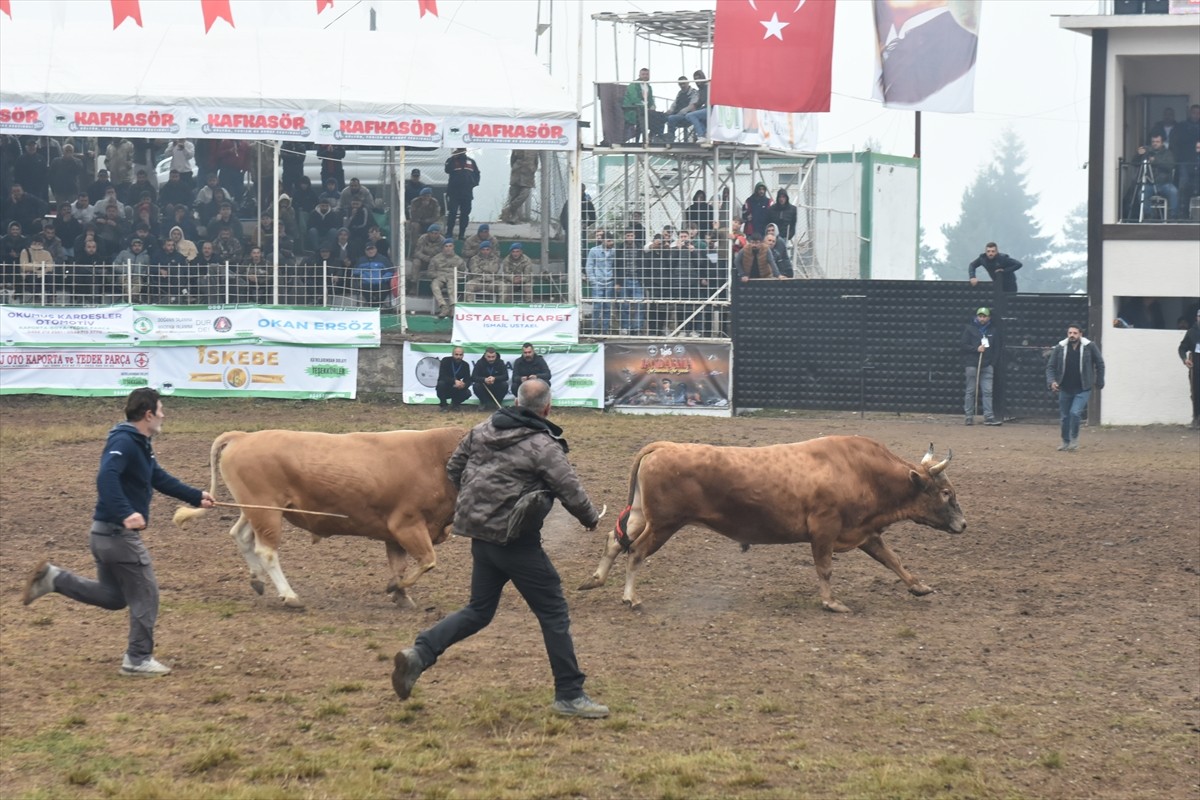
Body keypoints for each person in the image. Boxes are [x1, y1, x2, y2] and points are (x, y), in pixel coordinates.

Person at [390, 378, 607, 719]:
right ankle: (569, 693)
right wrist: (591, 519)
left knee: (479, 610)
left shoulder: (481, 429)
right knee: (553, 613)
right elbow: (569, 487)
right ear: (547, 408)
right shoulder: (542, 445)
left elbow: (454, 469)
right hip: (517, 543)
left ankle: (421, 652)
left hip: (482, 539)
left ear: (516, 400)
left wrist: (483, 503)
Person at [20, 388, 215, 676]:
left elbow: (156, 476)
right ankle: (137, 658)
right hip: (117, 536)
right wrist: (126, 513)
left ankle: (55, 578)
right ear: (148, 414)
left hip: (102, 535)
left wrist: (195, 496)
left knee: (114, 597)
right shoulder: (124, 442)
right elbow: (106, 476)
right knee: (147, 594)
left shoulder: (139, 442)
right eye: (160, 409)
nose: (164, 414)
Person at [1046, 323, 1105, 451]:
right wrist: (1052, 381)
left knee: (1075, 413)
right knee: (1065, 416)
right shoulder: (1060, 347)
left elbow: (1100, 363)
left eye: (1075, 333)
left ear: (1080, 334)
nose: (1072, 335)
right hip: (1065, 388)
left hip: (1083, 388)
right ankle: (1065, 441)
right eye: (1070, 333)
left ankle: (1074, 439)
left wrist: (1099, 381)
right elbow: (1050, 366)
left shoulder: (1090, 347)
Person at [963, 307, 1002, 426]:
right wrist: (976, 349)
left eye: (984, 316)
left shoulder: (993, 331)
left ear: (989, 317)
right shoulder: (969, 329)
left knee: (987, 391)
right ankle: (969, 416)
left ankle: (989, 417)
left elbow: (997, 348)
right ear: (976, 317)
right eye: (980, 316)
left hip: (987, 365)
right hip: (972, 365)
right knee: (970, 391)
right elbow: (963, 345)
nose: (982, 318)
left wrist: (992, 363)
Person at [1134, 134, 1178, 220]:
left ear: (1162, 143)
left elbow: (1170, 166)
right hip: (1149, 184)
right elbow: (1134, 163)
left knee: (1174, 192)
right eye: (1153, 142)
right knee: (1141, 194)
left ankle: (1173, 216)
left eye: (1157, 142)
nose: (1155, 143)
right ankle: (1149, 216)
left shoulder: (1168, 153)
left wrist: (1155, 161)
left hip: (1165, 183)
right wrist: (1138, 155)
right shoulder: (1147, 152)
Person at [444, 148, 481, 240]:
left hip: (467, 192)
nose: (461, 151)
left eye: (463, 149)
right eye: (460, 149)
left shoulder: (471, 161)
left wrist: (474, 183)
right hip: (454, 192)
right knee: (452, 213)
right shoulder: (451, 160)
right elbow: (447, 170)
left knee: (465, 214)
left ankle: (462, 234)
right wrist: (454, 158)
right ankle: (449, 233)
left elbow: (477, 173)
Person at [622, 67, 666, 144]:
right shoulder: (634, 85)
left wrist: (652, 106)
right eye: (643, 74)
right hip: (633, 110)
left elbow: (651, 100)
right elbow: (634, 99)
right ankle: (651, 137)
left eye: (647, 74)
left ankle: (653, 136)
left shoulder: (648, 87)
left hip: (646, 111)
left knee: (662, 116)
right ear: (639, 75)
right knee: (653, 115)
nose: (645, 76)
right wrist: (645, 107)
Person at [585, 233, 616, 334]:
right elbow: (589, 266)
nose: (611, 243)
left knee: (607, 307)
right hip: (598, 282)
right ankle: (595, 330)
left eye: (612, 241)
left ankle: (605, 330)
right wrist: (593, 281)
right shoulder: (594, 251)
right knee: (597, 307)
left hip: (609, 282)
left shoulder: (614, 251)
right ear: (602, 241)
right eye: (608, 241)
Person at [429, 238, 464, 320]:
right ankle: (443, 307)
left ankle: (453, 307)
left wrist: (454, 276)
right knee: (434, 285)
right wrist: (439, 275)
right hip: (440, 278)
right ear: (443, 248)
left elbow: (463, 273)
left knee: (452, 284)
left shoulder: (459, 260)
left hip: (452, 279)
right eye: (446, 246)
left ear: (453, 247)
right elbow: (430, 272)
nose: (448, 248)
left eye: (450, 246)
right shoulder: (436, 259)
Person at [1178, 309, 1200, 429]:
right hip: (1196, 368)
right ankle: (1196, 418)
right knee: (1196, 393)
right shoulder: (1191, 333)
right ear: (1197, 318)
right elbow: (1182, 348)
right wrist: (1185, 359)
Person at [436, 347, 472, 411]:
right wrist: (454, 381)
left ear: (463, 355)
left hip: (457, 388)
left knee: (468, 393)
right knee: (440, 384)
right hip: (446, 386)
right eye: (456, 354)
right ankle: (443, 405)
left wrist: (463, 385)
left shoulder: (465, 365)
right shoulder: (445, 361)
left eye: (460, 355)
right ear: (452, 354)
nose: (458, 357)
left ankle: (455, 404)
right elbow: (442, 376)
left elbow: (468, 379)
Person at [665, 75, 699, 143]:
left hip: (687, 116)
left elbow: (692, 105)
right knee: (661, 117)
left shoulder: (694, 92)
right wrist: (670, 110)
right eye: (680, 84)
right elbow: (674, 103)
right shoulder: (680, 93)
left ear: (688, 83)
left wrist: (681, 112)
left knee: (671, 118)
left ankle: (670, 138)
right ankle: (660, 137)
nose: (682, 85)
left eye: (684, 83)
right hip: (677, 115)